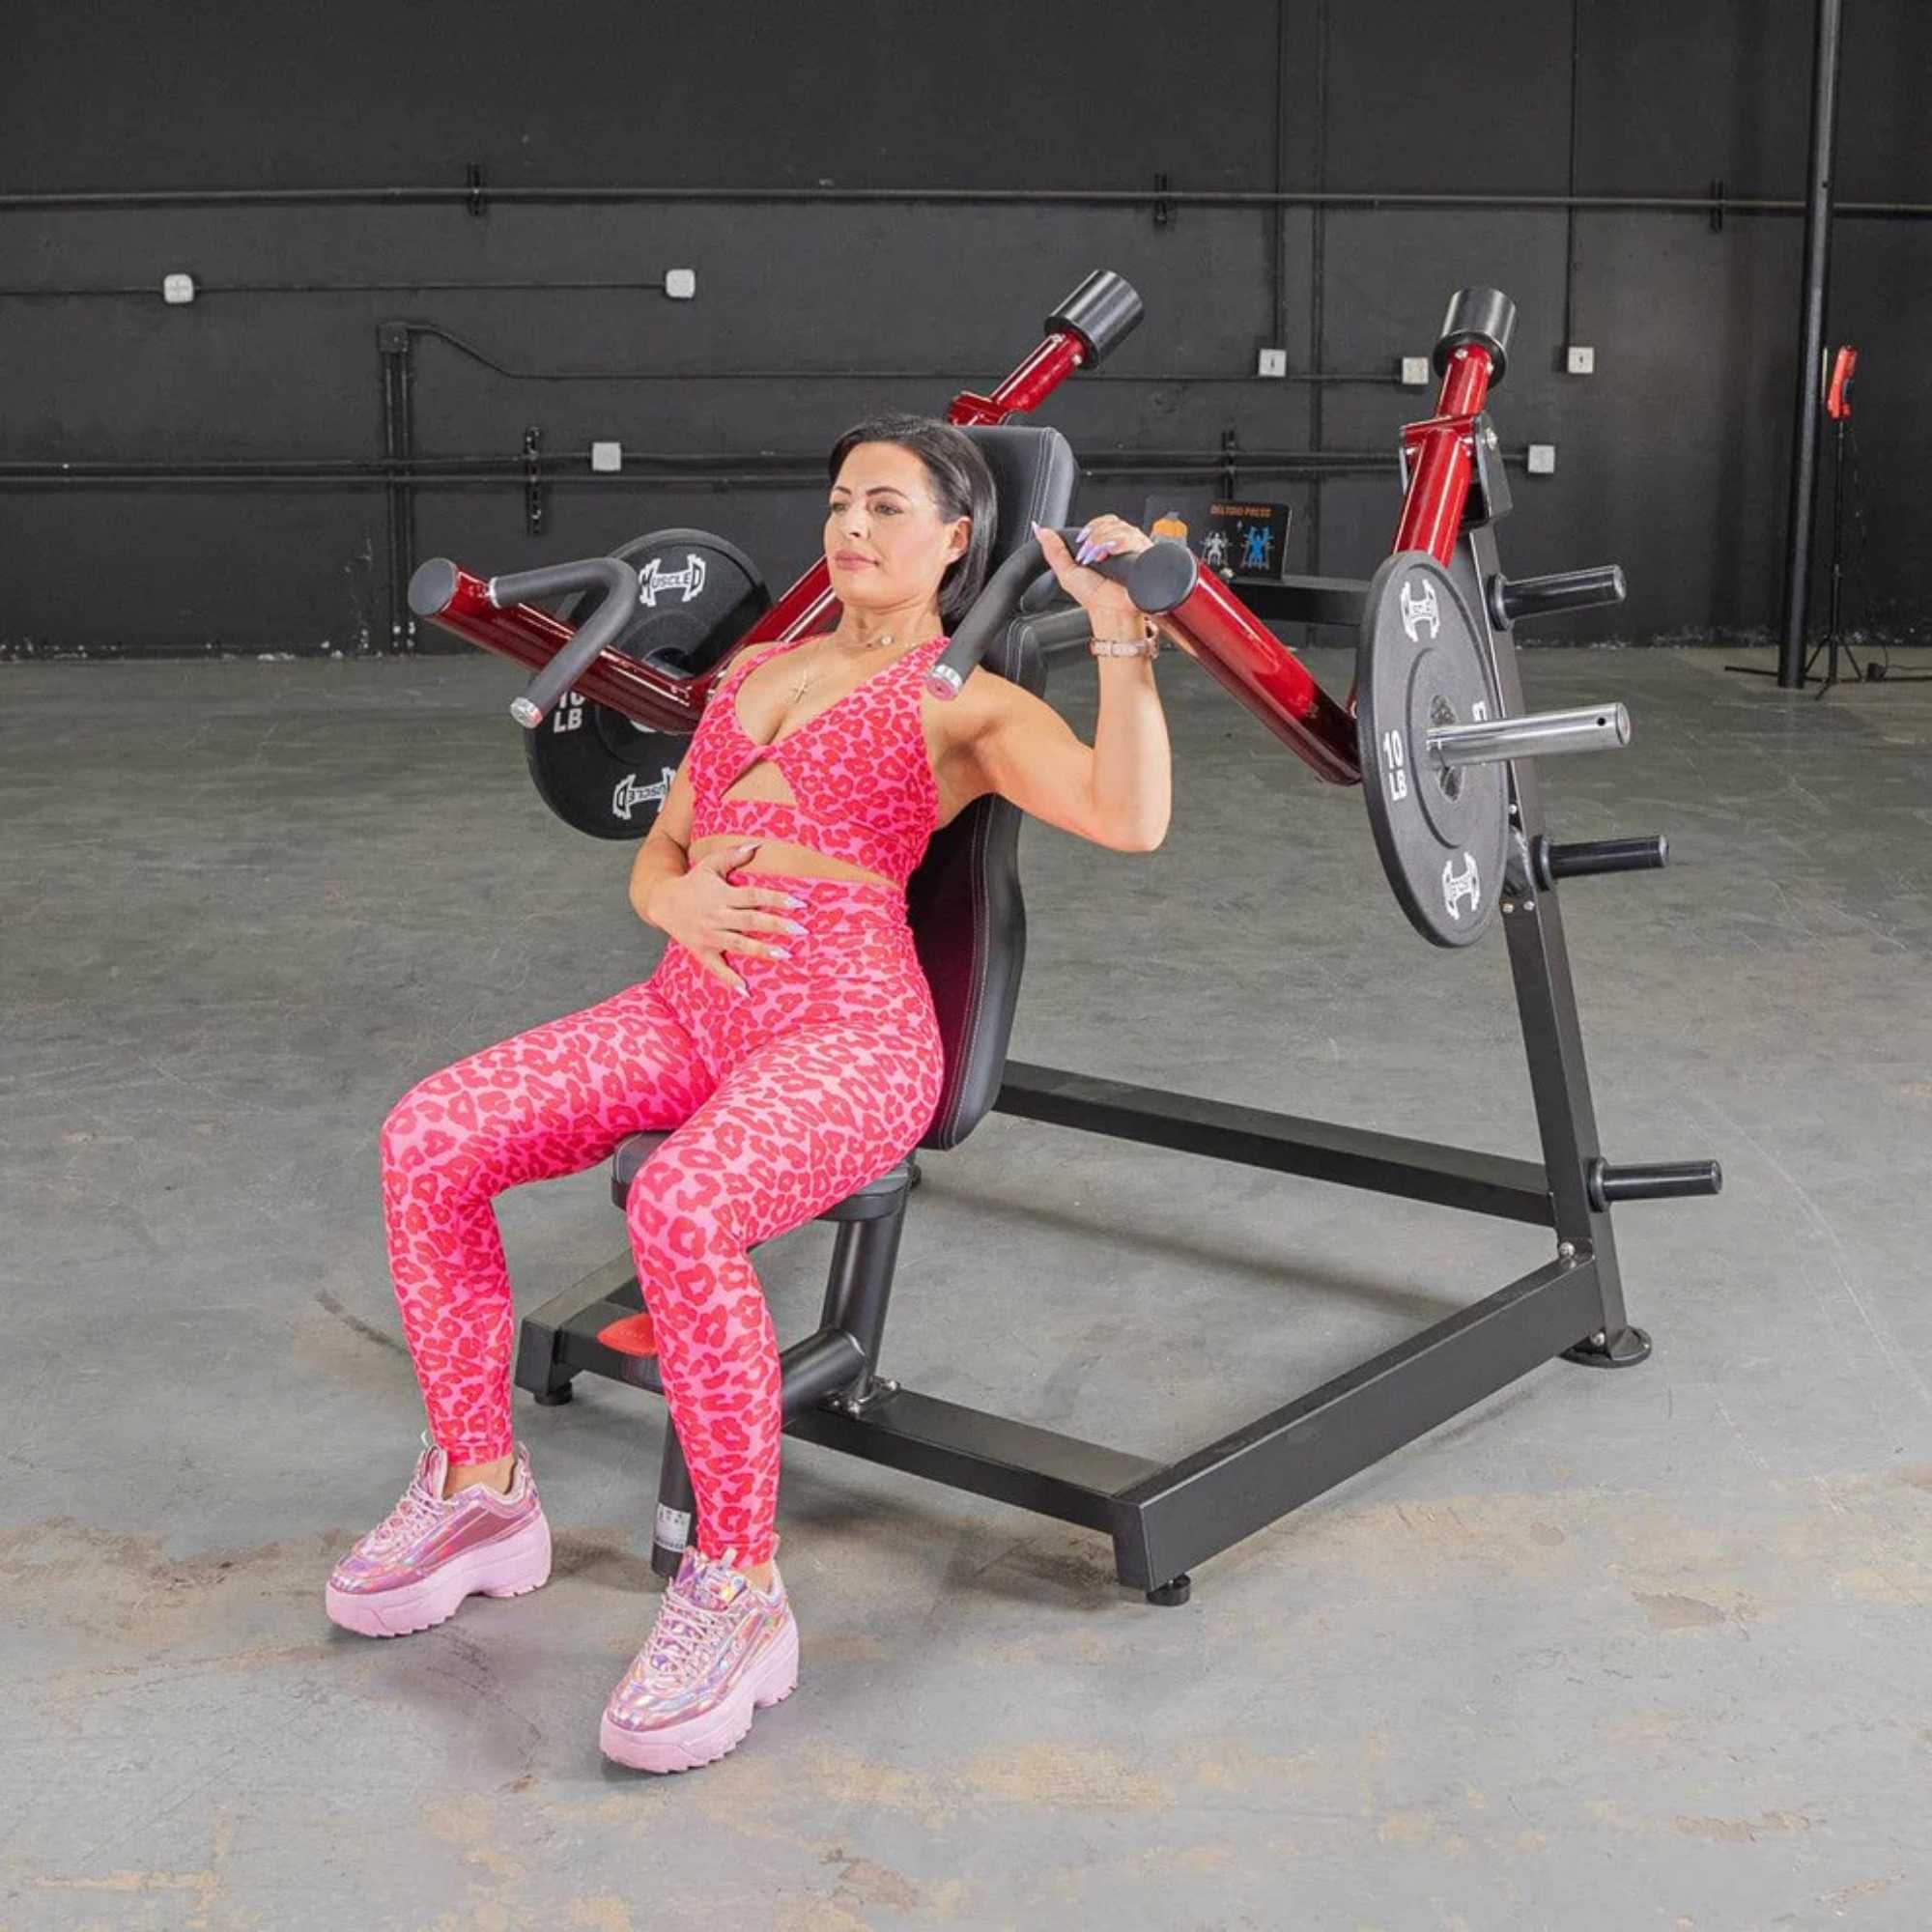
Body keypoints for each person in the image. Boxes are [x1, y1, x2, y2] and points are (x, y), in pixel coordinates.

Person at [326, 412, 1174, 1773]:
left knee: (681, 1206)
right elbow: (655, 857)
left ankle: (737, 1593)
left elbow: (1128, 817)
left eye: (889, 508)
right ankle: (482, 1492)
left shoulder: (960, 696)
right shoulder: (756, 668)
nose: (852, 528)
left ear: (958, 541)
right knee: (430, 1135)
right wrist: (677, 894)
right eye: (842, 502)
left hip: (846, 1027)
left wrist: (1125, 635)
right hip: (686, 1004)